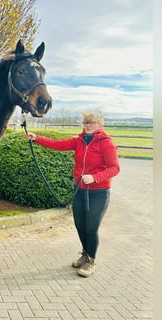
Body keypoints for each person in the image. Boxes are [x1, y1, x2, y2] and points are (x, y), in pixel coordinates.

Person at [25, 112, 120, 277]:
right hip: (80, 190)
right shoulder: (79, 141)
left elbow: (115, 168)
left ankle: (91, 261)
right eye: (86, 122)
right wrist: (36, 138)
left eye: (92, 123)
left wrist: (95, 178)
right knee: (80, 225)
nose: (88, 125)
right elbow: (58, 144)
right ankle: (85, 254)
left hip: (98, 193)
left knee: (91, 228)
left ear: (100, 125)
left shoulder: (106, 143)